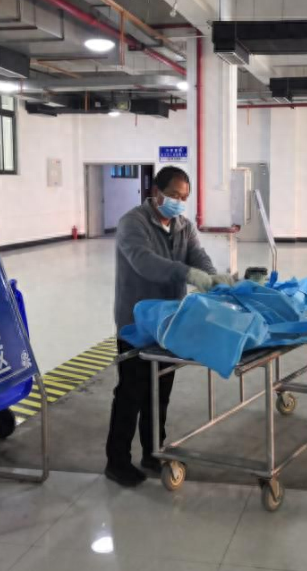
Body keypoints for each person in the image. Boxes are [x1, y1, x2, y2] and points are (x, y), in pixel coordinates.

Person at [105, 166, 233, 487]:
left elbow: (197, 255)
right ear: (156, 192)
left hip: (169, 323)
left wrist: (212, 277)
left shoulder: (183, 226)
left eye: (184, 197)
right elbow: (144, 262)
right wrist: (186, 274)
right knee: (131, 393)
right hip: (136, 324)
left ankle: (154, 452)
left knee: (160, 392)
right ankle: (117, 461)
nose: (179, 202)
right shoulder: (132, 223)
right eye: (174, 195)